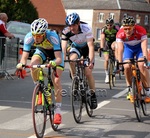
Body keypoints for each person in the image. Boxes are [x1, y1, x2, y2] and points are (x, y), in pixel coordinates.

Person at [16, 18, 64, 125]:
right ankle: (39, 88)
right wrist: (22, 64)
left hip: (55, 54)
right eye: (34, 35)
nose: (35, 38)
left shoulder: (52, 36)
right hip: (41, 51)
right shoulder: (29, 37)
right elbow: (24, 56)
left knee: (56, 80)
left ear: (44, 34)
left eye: (38, 36)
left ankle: (58, 111)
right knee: (33, 65)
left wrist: (53, 63)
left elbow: (59, 59)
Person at [61, 12, 97, 109]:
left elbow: (91, 46)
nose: (72, 28)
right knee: (71, 60)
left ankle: (93, 95)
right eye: (70, 26)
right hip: (76, 47)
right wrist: (62, 61)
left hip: (87, 49)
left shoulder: (86, 28)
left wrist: (90, 61)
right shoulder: (65, 31)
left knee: (88, 72)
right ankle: (75, 79)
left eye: (74, 25)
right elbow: (63, 48)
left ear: (78, 23)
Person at [116, 16, 150, 101]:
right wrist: (119, 63)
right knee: (126, 66)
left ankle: (147, 90)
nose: (127, 31)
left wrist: (146, 60)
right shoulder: (120, 33)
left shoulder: (141, 30)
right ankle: (130, 88)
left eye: (129, 29)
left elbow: (144, 46)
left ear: (134, 27)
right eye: (125, 28)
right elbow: (120, 49)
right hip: (128, 49)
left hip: (139, 49)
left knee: (141, 65)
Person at [99, 18, 119, 83]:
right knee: (107, 59)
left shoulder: (116, 28)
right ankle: (107, 75)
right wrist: (102, 47)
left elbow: (119, 38)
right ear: (106, 25)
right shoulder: (104, 29)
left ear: (113, 25)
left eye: (110, 25)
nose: (109, 27)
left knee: (114, 47)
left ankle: (116, 62)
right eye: (108, 25)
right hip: (107, 43)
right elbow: (102, 39)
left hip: (114, 42)